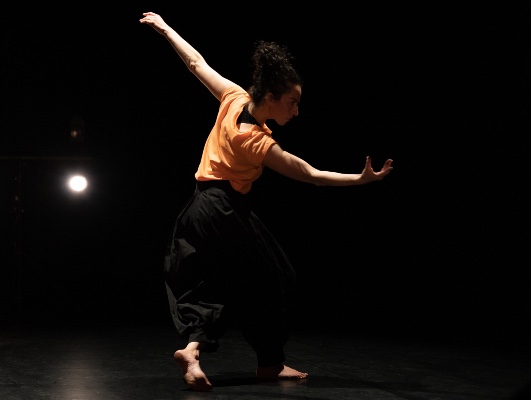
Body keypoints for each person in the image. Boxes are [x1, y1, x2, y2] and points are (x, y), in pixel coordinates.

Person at [139, 11, 394, 392]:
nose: (296, 110)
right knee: (266, 279)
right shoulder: (255, 141)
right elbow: (309, 174)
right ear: (271, 98)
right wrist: (360, 179)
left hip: (202, 208)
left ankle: (208, 353)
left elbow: (195, 63)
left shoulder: (233, 96)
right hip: (221, 209)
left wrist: (163, 27)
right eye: (292, 103)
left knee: (241, 280)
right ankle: (259, 363)